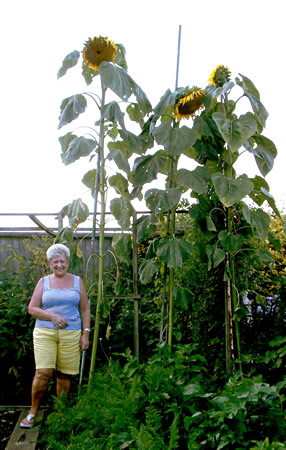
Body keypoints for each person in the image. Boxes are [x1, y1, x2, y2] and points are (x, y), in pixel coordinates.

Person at [20, 243, 90, 428]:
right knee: (43, 373)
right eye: (55, 262)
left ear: (68, 262)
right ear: (49, 264)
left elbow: (85, 309)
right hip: (45, 333)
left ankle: (60, 414)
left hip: (72, 334)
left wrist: (86, 333)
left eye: (62, 261)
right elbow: (32, 308)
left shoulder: (77, 281)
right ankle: (33, 412)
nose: (59, 265)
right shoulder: (44, 282)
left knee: (64, 375)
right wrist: (52, 316)